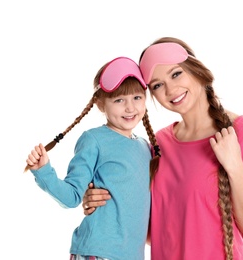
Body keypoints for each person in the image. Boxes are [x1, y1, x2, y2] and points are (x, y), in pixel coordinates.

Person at [82, 37, 243, 260]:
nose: (171, 89)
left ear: (196, 70)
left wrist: (234, 166)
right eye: (157, 85)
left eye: (176, 74)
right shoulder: (157, 145)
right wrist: (104, 199)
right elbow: (151, 231)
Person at [25, 56, 160, 260]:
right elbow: (71, 197)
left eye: (137, 98)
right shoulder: (94, 140)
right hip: (97, 253)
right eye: (119, 100)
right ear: (100, 104)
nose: (130, 108)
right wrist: (43, 170)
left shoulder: (145, 147)